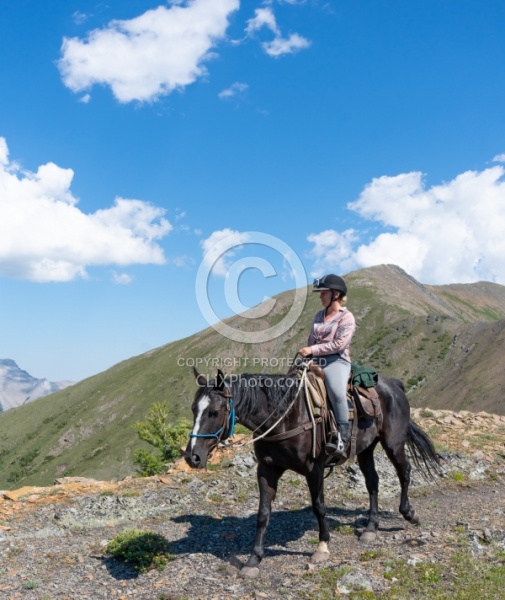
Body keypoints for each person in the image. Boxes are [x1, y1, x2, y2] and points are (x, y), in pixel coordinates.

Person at [299, 274, 356, 457]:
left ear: (336, 295)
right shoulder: (318, 315)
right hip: (315, 360)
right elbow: (311, 339)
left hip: (336, 360)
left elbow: (339, 344)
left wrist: (312, 350)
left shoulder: (346, 317)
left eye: (324, 293)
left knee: (336, 392)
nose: (320, 296)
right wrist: (308, 355)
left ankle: (342, 437)